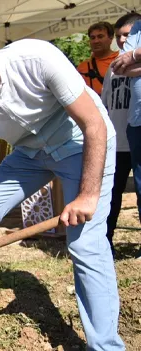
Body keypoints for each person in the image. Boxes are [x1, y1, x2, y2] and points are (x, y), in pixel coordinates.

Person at [0, 30, 123, 350]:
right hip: (29, 154)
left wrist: (87, 196)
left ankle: (106, 346)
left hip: (81, 146)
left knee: (86, 246)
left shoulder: (35, 59)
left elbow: (94, 124)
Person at [101, 13, 141, 258]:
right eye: (119, 36)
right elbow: (104, 105)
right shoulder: (113, 70)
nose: (124, 40)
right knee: (111, 196)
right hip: (116, 142)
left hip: (135, 134)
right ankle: (106, 243)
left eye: (128, 35)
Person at [78, 22, 118, 96]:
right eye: (92, 38)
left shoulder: (120, 60)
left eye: (100, 36)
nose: (96, 41)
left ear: (111, 38)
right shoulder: (82, 67)